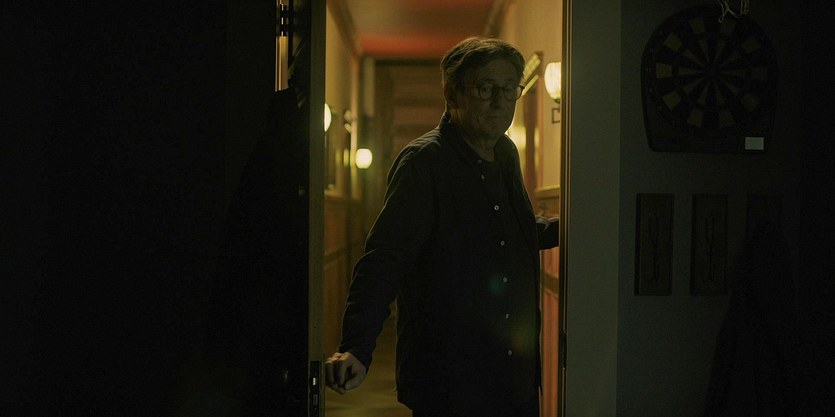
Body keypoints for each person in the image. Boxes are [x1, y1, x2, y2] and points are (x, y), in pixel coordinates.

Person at [325, 37, 559, 417]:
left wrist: (574, 226)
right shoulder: (424, 162)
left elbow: (505, 231)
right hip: (451, 378)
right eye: (485, 88)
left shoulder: (504, 152)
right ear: (452, 94)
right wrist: (356, 346)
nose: (500, 101)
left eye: (508, 89)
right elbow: (385, 258)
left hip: (513, 373)